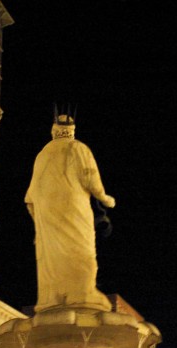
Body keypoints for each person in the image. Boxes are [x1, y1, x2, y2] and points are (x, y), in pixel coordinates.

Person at [24, 110, 115, 313]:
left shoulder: (42, 154)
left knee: (51, 255)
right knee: (81, 248)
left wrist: (39, 221)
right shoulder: (78, 148)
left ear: (53, 131)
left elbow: (30, 198)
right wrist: (104, 198)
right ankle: (82, 292)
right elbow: (90, 177)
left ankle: (51, 297)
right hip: (74, 210)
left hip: (47, 218)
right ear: (72, 132)